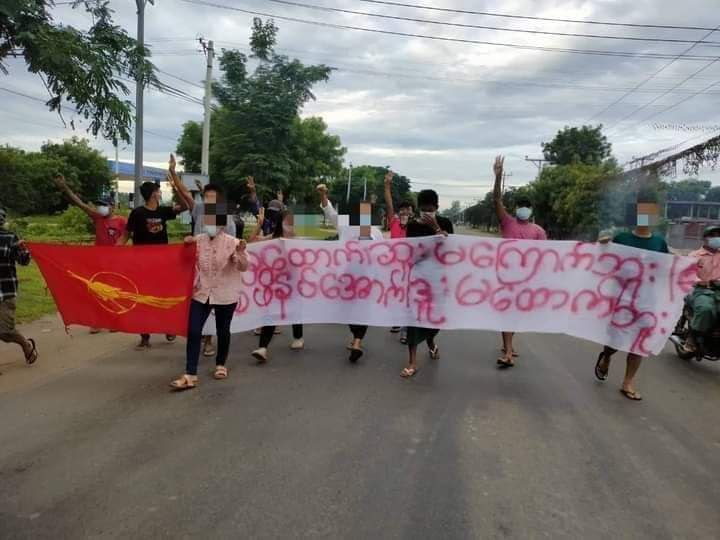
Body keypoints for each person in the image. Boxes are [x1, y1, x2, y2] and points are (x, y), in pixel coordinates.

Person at [594, 198, 669, 401]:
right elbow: (604, 261)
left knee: (640, 342)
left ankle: (628, 381)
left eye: (650, 212)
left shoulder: (659, 243)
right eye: (642, 212)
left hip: (647, 302)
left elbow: (665, 269)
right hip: (623, 300)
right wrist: (603, 245)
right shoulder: (622, 239)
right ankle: (606, 356)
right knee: (616, 340)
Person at [117, 156, 188, 349]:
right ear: (153, 194)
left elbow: (186, 205)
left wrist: (175, 187)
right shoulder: (137, 213)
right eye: (158, 191)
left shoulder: (164, 212)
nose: (160, 193)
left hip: (163, 263)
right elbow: (125, 235)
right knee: (142, 297)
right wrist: (113, 252)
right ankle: (145, 335)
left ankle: (169, 327)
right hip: (142, 264)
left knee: (164, 295)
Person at [170, 218, 248, 391]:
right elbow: (184, 259)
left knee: (222, 330)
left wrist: (240, 253)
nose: (210, 225)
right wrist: (186, 245)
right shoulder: (198, 240)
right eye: (207, 221)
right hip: (202, 292)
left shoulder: (232, 242)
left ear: (221, 224)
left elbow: (243, 267)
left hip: (225, 293)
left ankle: (221, 364)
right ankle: (190, 373)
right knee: (194, 329)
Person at [169, 155, 236, 358]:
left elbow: (231, 246)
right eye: (206, 196)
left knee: (216, 310)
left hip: (218, 273)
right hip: (197, 270)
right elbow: (186, 193)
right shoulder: (198, 209)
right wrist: (173, 172)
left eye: (212, 197)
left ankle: (209, 343)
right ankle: (197, 345)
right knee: (197, 309)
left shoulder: (227, 219)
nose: (208, 200)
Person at [52, 173, 127, 334]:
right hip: (97, 259)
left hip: (114, 261)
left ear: (112, 206)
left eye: (104, 205)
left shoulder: (121, 221)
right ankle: (98, 321)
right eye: (99, 205)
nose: (101, 207)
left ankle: (114, 320)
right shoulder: (97, 217)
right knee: (95, 288)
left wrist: (118, 250)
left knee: (112, 290)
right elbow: (79, 203)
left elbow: (127, 236)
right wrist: (65, 188)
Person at [317, 183, 383, 362]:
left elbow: (328, 211)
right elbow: (329, 211)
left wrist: (324, 194)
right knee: (357, 309)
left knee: (355, 309)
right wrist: (324, 194)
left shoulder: (371, 231)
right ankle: (357, 340)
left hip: (356, 278)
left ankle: (356, 341)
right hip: (356, 278)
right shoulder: (354, 228)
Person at [493, 155, 547, 368]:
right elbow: (496, 201)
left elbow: (545, 257)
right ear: (515, 208)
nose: (523, 209)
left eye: (526, 206)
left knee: (515, 316)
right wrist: (497, 177)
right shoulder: (507, 222)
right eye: (520, 205)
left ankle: (508, 344)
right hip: (506, 278)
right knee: (507, 313)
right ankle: (507, 351)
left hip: (526, 281)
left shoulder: (538, 231)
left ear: (531, 210)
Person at [400, 190, 453, 378]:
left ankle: (431, 342)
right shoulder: (413, 225)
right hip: (418, 280)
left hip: (438, 281)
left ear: (437, 208)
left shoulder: (445, 223)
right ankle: (412, 362)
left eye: (429, 209)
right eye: (423, 209)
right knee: (414, 319)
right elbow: (412, 252)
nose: (426, 213)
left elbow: (451, 252)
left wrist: (438, 229)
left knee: (434, 319)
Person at [250, 207, 304, 363]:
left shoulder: (298, 240)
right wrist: (259, 225)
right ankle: (262, 348)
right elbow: (251, 242)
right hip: (275, 284)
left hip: (293, 283)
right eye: (286, 220)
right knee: (271, 313)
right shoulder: (273, 238)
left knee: (295, 311)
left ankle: (298, 336)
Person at [0, 207, 37, 371]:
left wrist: (23, 250)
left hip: (5, 290)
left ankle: (25, 344)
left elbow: (23, 261)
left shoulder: (9, 238)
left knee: (5, 331)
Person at [384, 169, 414, 342]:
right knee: (396, 296)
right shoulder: (394, 222)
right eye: (402, 209)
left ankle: (405, 331)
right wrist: (387, 185)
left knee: (408, 299)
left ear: (411, 212)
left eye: (407, 210)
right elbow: (389, 205)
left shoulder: (416, 226)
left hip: (410, 269)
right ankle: (396, 321)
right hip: (394, 268)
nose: (404, 212)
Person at [679, 225, 720, 355]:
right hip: (700, 291)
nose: (717, 238)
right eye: (713, 235)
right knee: (705, 309)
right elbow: (686, 274)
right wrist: (699, 281)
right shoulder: (695, 255)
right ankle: (692, 337)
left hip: (718, 291)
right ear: (705, 238)